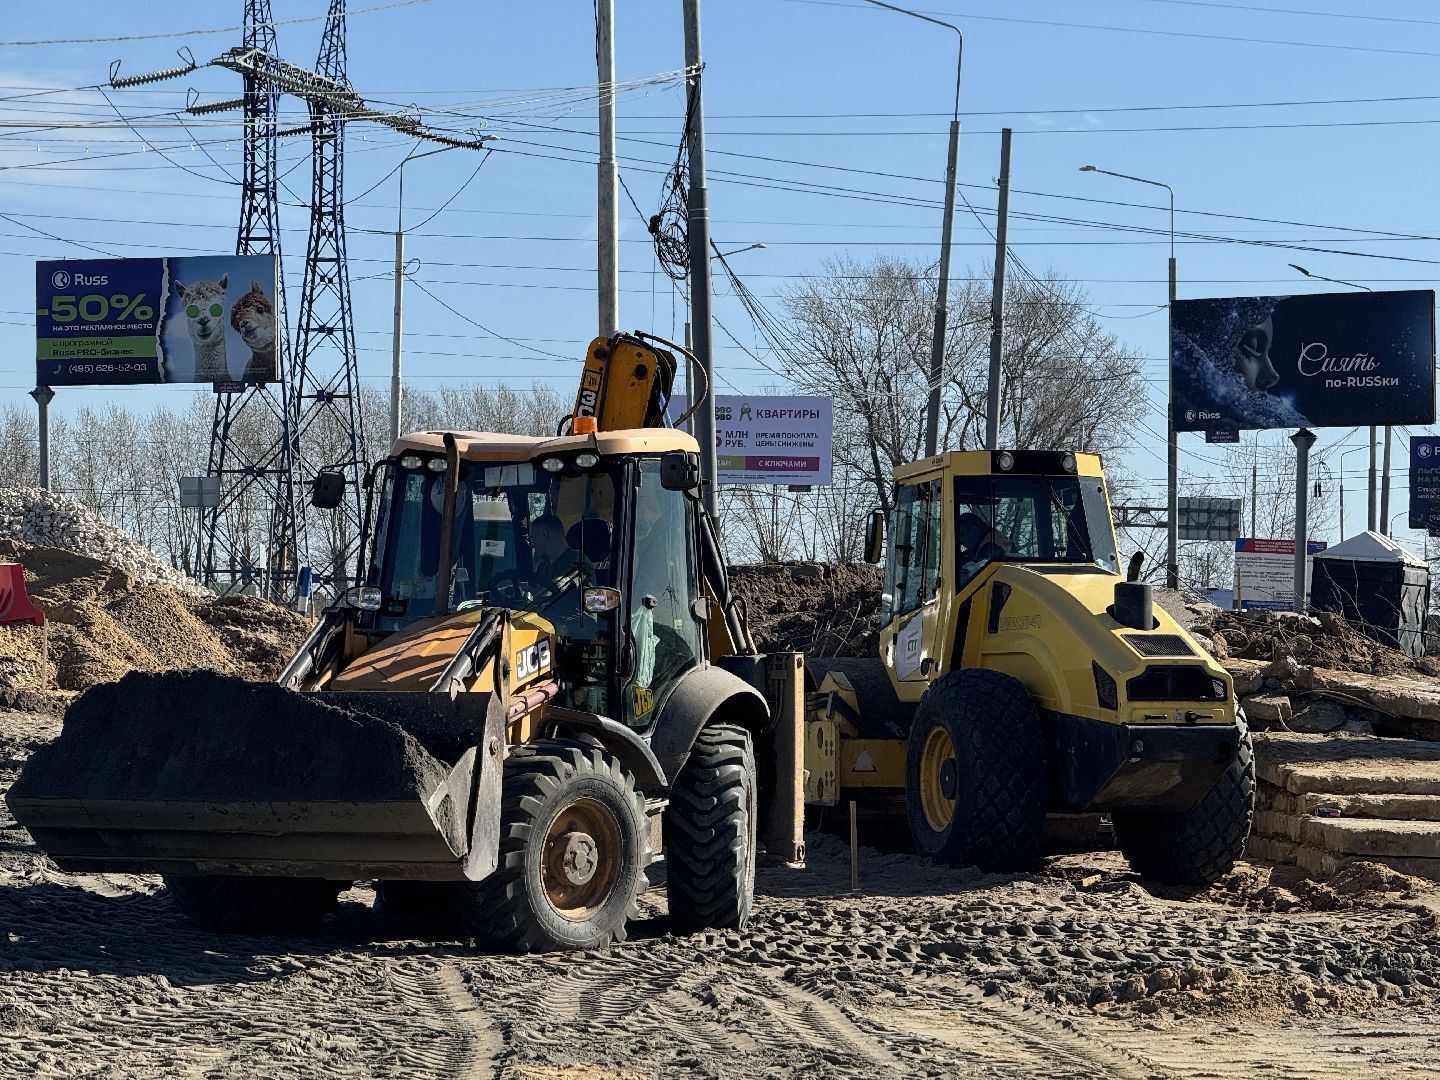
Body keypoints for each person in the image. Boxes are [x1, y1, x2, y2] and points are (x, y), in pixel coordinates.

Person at [527, 513, 593, 602]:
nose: (532, 545)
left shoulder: (578, 560)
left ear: (544, 534)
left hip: (574, 615)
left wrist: (538, 594)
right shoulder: (543, 566)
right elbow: (532, 588)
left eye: (533, 538)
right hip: (545, 614)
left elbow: (560, 584)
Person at [956, 510, 1010, 583]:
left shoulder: (991, 548)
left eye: (962, 535)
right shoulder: (988, 541)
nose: (960, 541)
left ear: (973, 530)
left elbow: (977, 575)